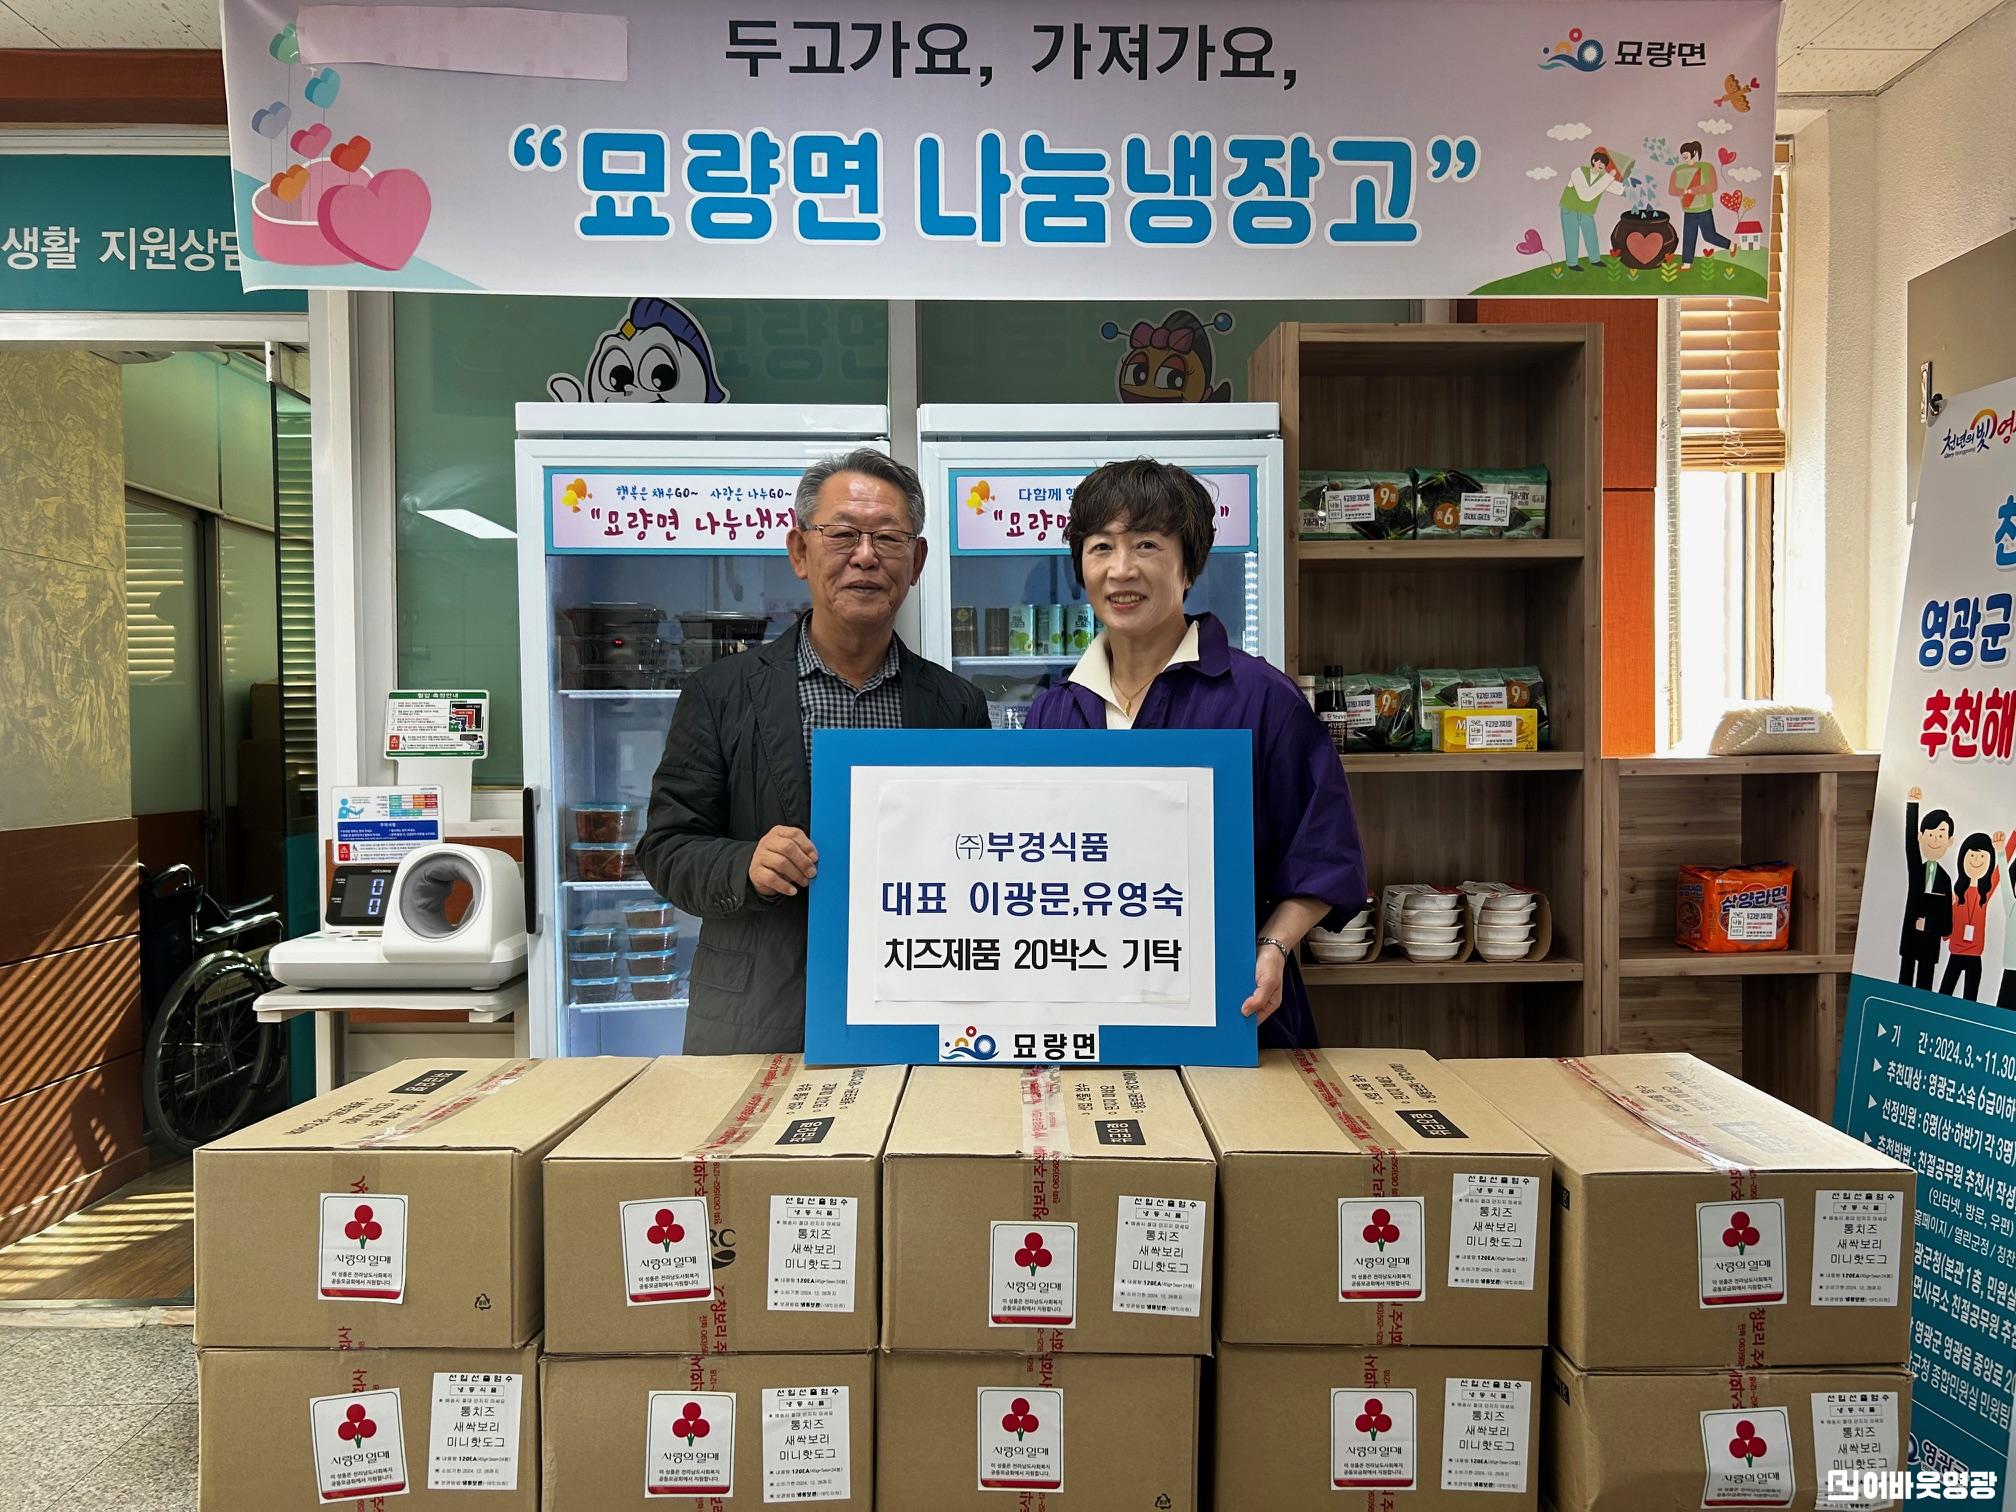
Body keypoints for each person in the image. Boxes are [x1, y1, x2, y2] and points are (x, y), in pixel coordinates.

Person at [638, 449, 990, 1053]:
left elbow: (981, 853)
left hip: (917, 1003)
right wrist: (745, 864)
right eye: (843, 534)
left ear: (917, 561)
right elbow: (666, 848)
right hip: (753, 1016)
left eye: (889, 538)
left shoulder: (956, 704)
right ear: (800, 551)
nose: (865, 556)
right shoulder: (720, 694)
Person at [1024, 458, 1369, 1048]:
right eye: (1101, 546)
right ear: (1081, 566)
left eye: (1147, 545)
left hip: (1231, 1003)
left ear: (1189, 566)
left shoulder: (1262, 697)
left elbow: (1324, 855)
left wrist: (1273, 947)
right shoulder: (1053, 711)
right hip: (1082, 1002)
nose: (1121, 569)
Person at [1899, 788, 1956, 990]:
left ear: (1949, 841)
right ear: (1921, 837)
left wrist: (1929, 924)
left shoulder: (1946, 880)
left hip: (1930, 945)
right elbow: (1910, 845)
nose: (1935, 840)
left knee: (1925, 988)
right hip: (1910, 940)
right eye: (1930, 834)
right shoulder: (1916, 870)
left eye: (1940, 835)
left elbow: (1947, 925)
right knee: (1903, 985)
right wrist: (1912, 805)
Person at [1940, 833, 2000, 1000]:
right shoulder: (1956, 895)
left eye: (1982, 856)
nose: (1976, 860)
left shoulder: (1984, 894)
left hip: (1975, 957)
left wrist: (2012, 839)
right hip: (1955, 954)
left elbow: (2000, 870)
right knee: (1943, 996)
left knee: (1970, 1000)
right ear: (1962, 859)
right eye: (1972, 855)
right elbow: (1946, 931)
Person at [1558, 147, 1626, 271]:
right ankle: (1572, 263)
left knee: (1591, 235)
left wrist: (1624, 178)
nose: (1602, 165)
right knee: (1571, 237)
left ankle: (1595, 260)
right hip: (1570, 209)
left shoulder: (1602, 179)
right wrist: (1609, 177)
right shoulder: (1578, 172)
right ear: (1594, 161)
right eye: (1600, 162)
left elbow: (1620, 190)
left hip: (1587, 212)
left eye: (1604, 164)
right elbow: (1586, 195)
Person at [1669, 140, 1733, 269]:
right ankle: (1687, 263)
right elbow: (1672, 189)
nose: (1684, 156)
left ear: (1694, 152)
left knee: (1709, 236)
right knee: (1688, 236)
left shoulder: (1706, 167)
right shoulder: (1678, 169)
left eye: (1686, 153)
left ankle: (1730, 245)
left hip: (1704, 208)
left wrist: (1692, 190)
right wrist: (1682, 192)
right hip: (1689, 209)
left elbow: (1712, 186)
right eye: (1682, 154)